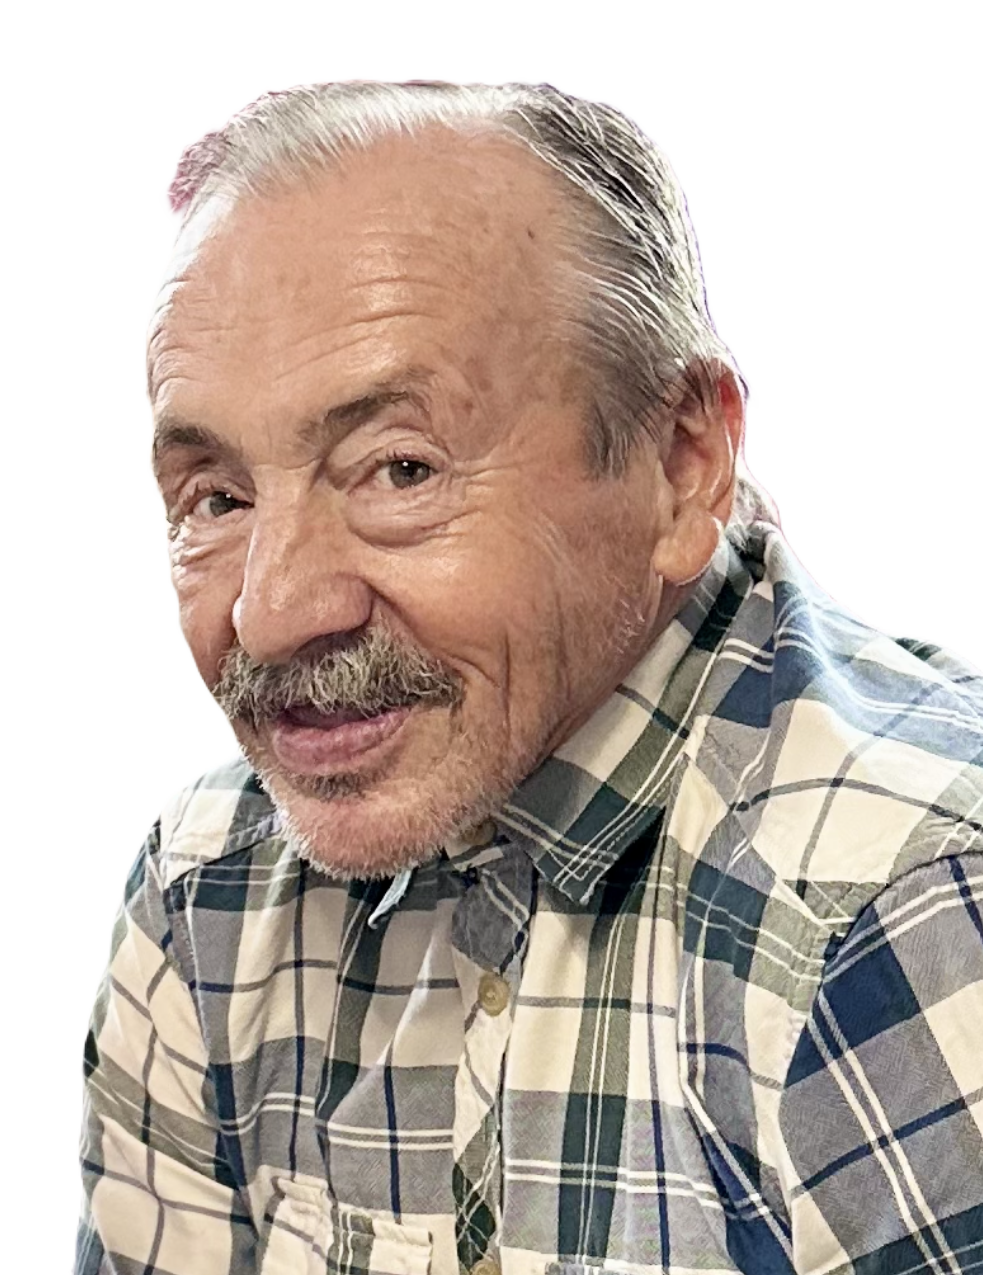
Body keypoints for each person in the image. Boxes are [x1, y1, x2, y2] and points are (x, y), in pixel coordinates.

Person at [76, 80, 983, 1275]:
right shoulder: (204, 896)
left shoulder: (898, 914)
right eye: (217, 498)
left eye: (398, 470)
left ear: (679, 463)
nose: (271, 612)